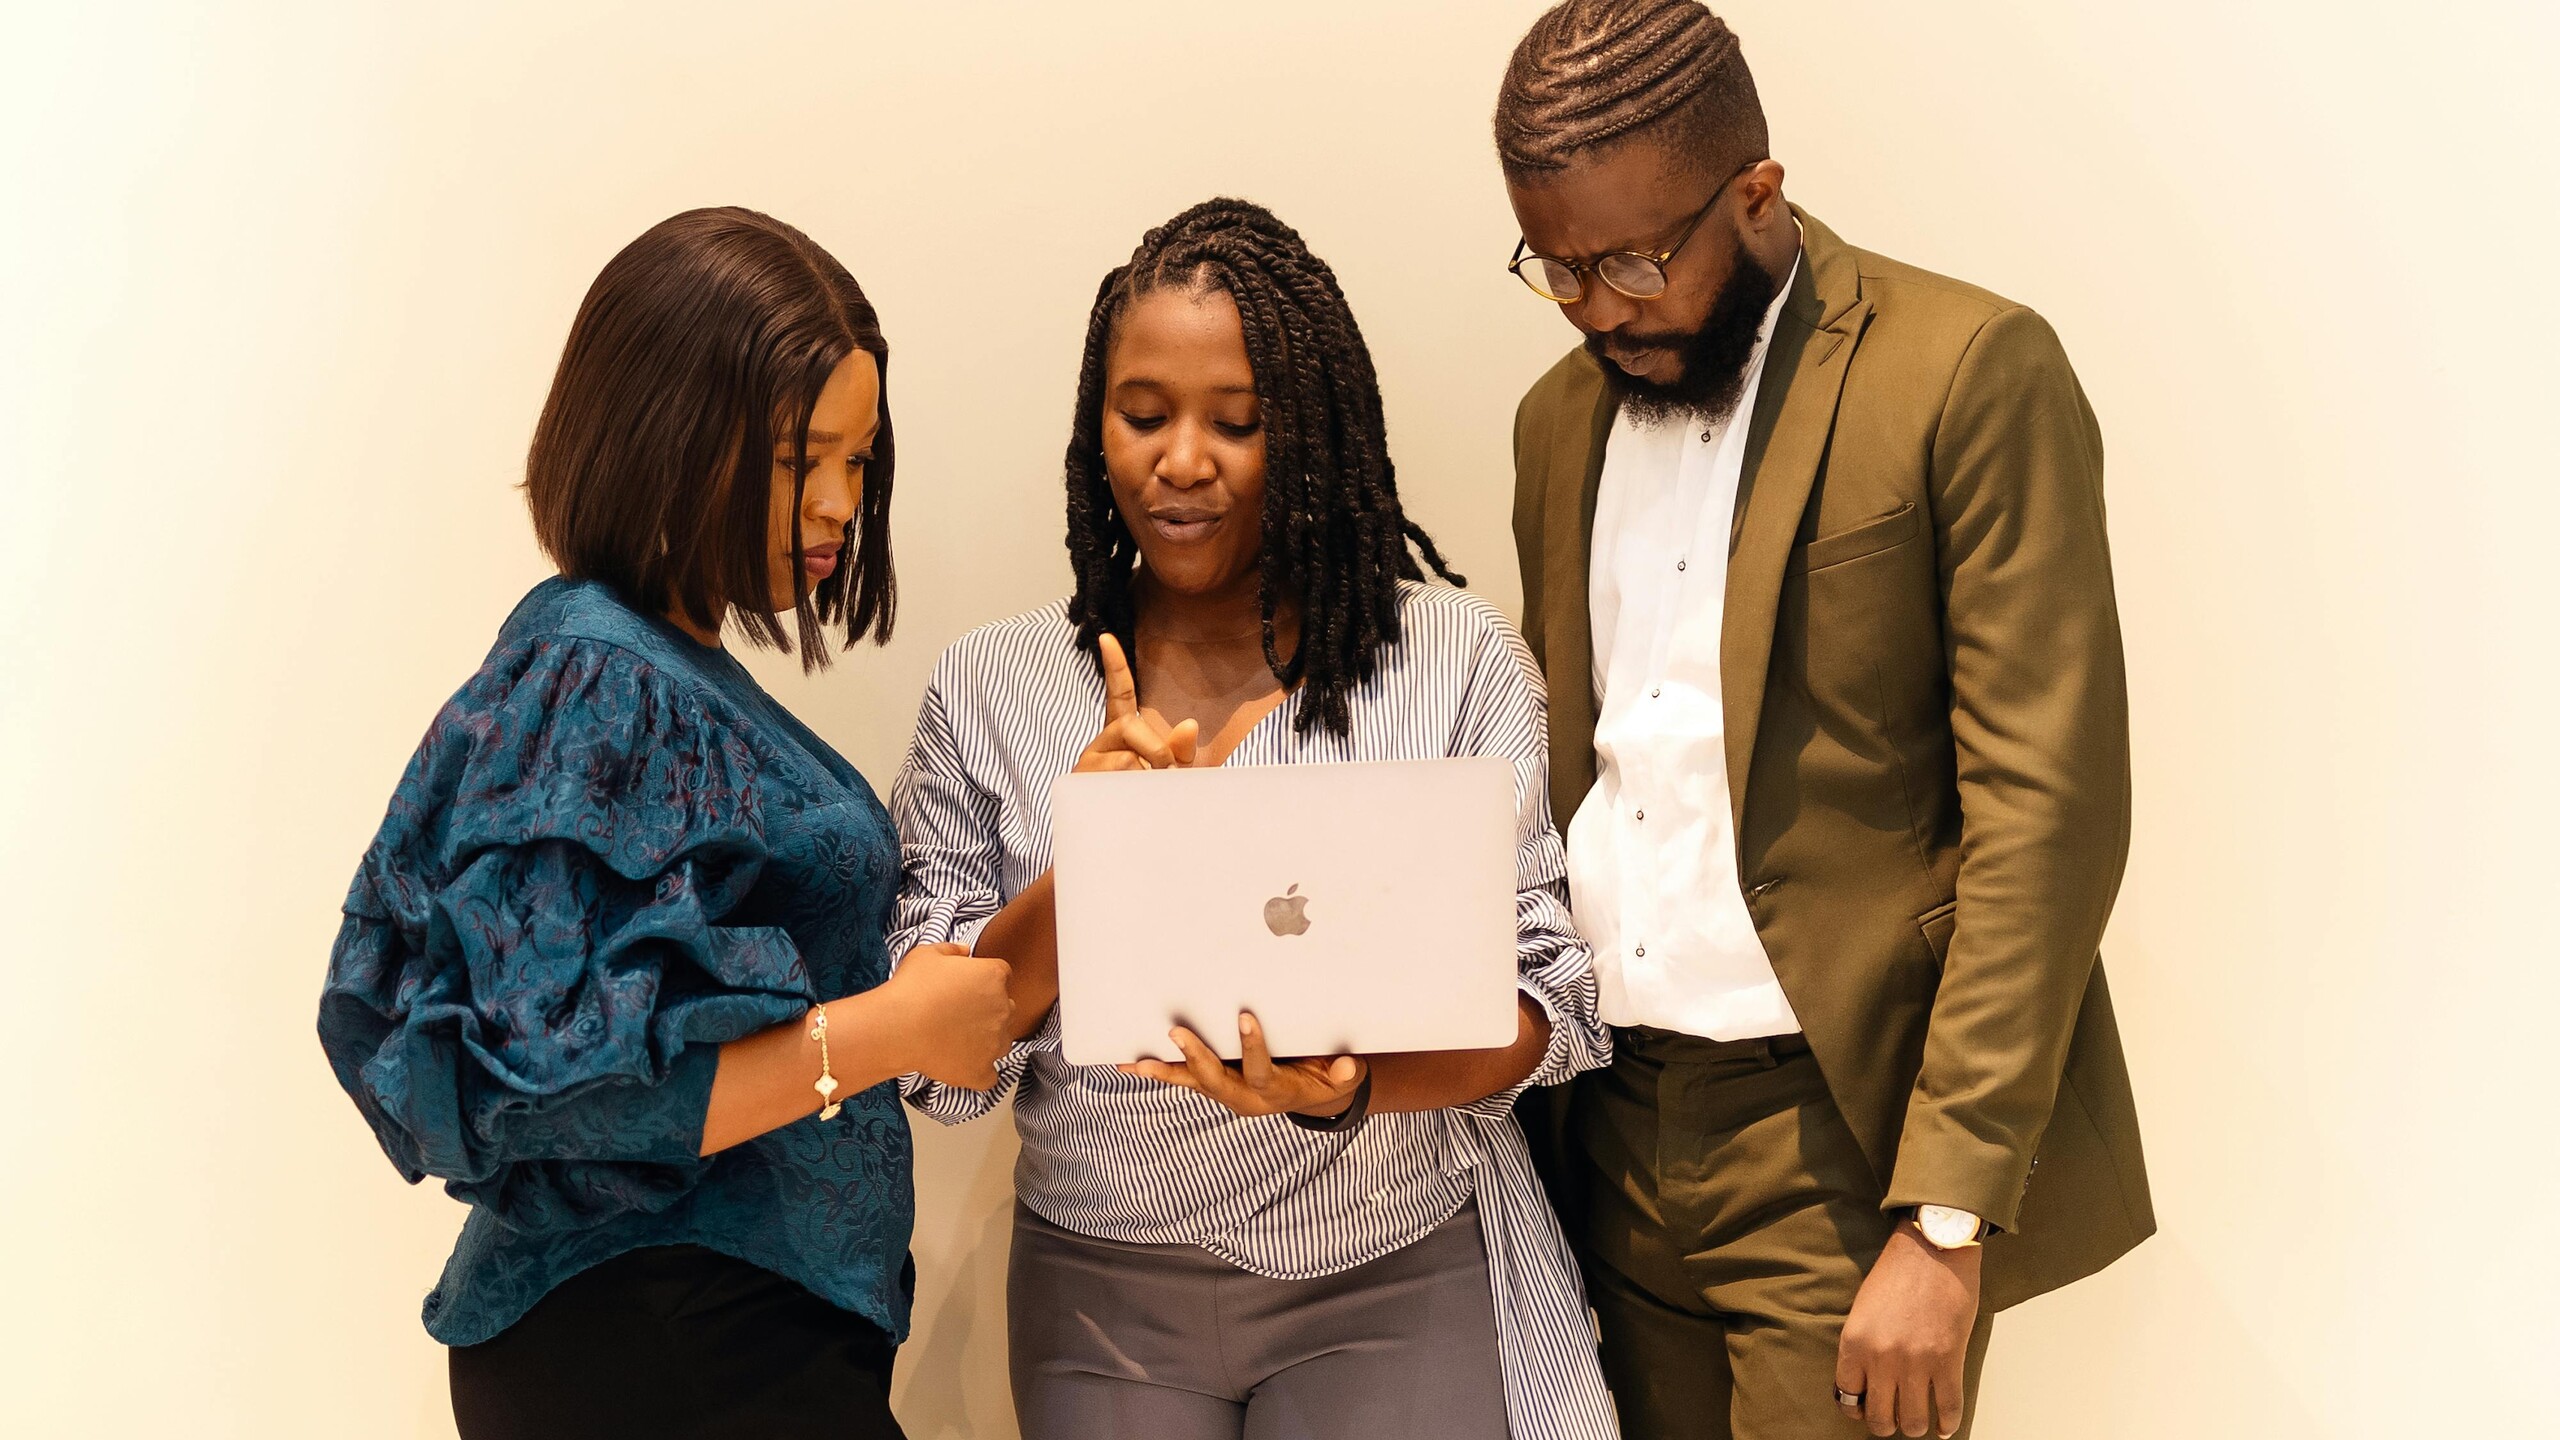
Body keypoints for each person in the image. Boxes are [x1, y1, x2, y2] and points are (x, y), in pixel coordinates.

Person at [1492, 4, 2154, 1438]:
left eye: (1634, 260)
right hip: (1610, 1125)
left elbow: (2048, 814)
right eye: (1557, 268)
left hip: (1842, 1141)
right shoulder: (1559, 420)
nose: (1601, 305)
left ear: (1757, 193)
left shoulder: (1964, 371)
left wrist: (1946, 1218)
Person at [889, 198, 1619, 1440]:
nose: (1183, 460)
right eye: (1143, 416)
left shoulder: (1454, 660)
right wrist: (1090, 868)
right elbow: (935, 1073)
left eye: (1238, 422)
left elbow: (1552, 1009)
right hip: (1100, 1294)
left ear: (1315, 436)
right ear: (1093, 427)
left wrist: (1348, 1090)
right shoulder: (991, 687)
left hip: (1392, 1265)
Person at [316, 207, 1015, 1440]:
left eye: (861, 461)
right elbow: (552, 1087)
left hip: (708, 1334)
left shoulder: (659, 672)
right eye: (808, 457)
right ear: (670, 435)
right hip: (668, 1337)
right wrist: (888, 1027)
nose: (842, 503)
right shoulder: (604, 679)